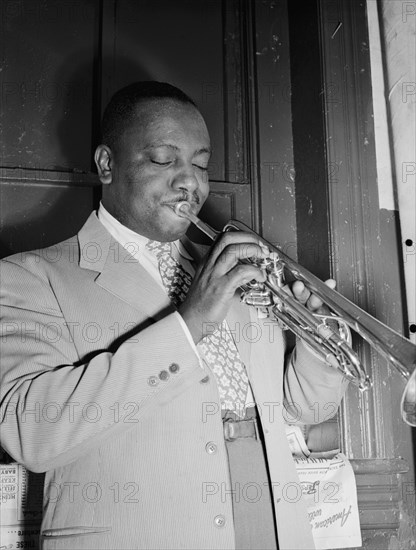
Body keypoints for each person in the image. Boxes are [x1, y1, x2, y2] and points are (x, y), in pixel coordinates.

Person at [0, 81, 349, 550]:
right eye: (164, 160)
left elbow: (305, 408)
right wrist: (190, 323)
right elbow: (32, 433)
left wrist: (317, 340)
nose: (192, 181)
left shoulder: (236, 273)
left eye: (201, 164)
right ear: (107, 164)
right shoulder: (31, 277)